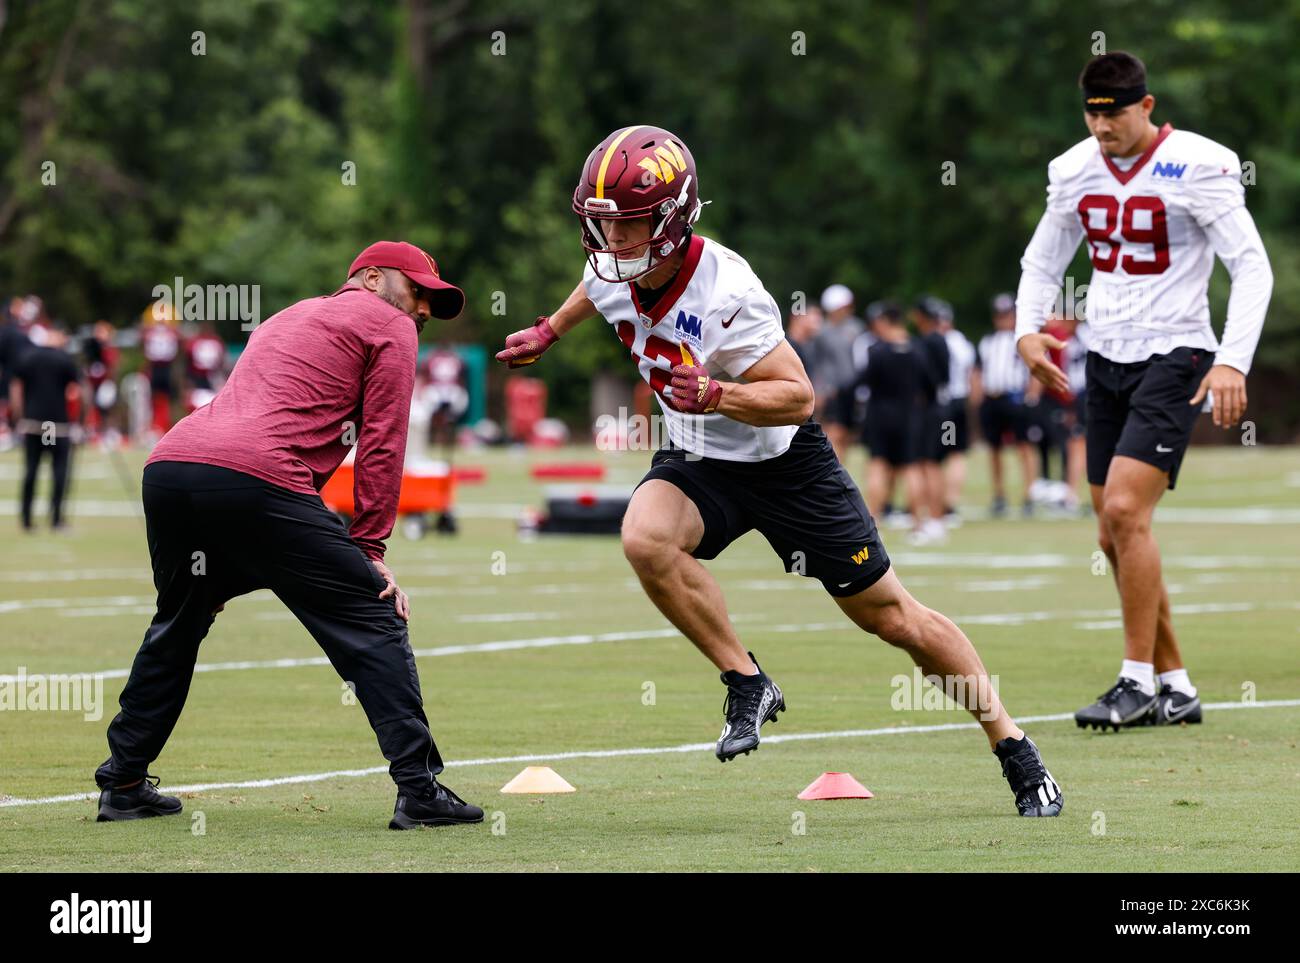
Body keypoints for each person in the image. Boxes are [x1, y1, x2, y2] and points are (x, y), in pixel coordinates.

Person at [497, 125, 1062, 816]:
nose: (612, 244)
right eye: (603, 225)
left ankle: (1013, 743)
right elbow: (595, 287)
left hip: (784, 462)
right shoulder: (617, 265)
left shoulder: (727, 289)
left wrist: (716, 393)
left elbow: (798, 398)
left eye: (629, 225)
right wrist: (550, 331)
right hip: (701, 457)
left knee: (893, 618)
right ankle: (746, 679)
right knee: (644, 536)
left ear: (673, 220)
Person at [92, 241, 484, 830]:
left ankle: (123, 781)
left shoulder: (287, 315)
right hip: (254, 479)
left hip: (171, 466)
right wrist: (370, 549)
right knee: (373, 613)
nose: (424, 308)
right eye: (419, 291)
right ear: (371, 277)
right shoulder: (390, 324)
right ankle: (419, 791)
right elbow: (383, 440)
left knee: (180, 620)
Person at [1016, 52, 1272, 730]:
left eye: (1115, 112)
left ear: (1148, 106)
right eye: (1092, 112)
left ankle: (1133, 682)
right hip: (1106, 354)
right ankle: (1176, 684)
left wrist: (1233, 362)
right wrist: (1026, 330)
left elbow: (1252, 267)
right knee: (1112, 531)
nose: (1102, 127)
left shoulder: (1199, 164)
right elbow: (1045, 258)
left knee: (1127, 512)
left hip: (1177, 350)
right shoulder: (1073, 168)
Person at [857, 302, 927, 538]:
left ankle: (873, 525)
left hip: (879, 416)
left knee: (877, 466)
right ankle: (918, 525)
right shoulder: (917, 349)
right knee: (911, 468)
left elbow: (864, 382)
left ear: (885, 322)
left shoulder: (877, 351)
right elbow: (929, 384)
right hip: (909, 416)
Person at [10, 324, 83, 531]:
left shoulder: (27, 357)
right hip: (57, 426)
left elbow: (16, 389)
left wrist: (18, 417)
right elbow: (80, 391)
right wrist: (81, 420)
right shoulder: (64, 359)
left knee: (31, 470)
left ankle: (26, 519)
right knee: (59, 471)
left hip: (34, 424)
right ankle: (56, 519)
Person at [974, 293, 1037, 517]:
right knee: (994, 449)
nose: (1003, 319)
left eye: (1007, 314)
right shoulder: (987, 341)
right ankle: (999, 494)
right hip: (993, 398)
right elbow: (978, 371)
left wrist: (1031, 397)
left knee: (1024, 447)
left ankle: (1030, 493)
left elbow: (1035, 370)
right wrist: (978, 398)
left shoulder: (1022, 340)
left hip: (1015, 397)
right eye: (1000, 315)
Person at [909, 296, 951, 544]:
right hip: (938, 409)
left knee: (928, 464)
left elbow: (928, 379)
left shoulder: (928, 342)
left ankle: (934, 519)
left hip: (930, 410)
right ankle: (934, 518)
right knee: (930, 464)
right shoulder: (940, 340)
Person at [811, 283, 864, 462]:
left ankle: (840, 473)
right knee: (833, 433)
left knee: (847, 436)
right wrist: (819, 389)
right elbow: (817, 363)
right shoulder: (821, 332)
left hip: (852, 391)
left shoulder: (857, 328)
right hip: (831, 392)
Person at [935, 300, 976, 522]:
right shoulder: (961, 341)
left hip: (946, 403)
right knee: (954, 453)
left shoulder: (941, 342)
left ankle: (948, 502)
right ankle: (948, 501)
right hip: (958, 402)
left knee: (948, 454)